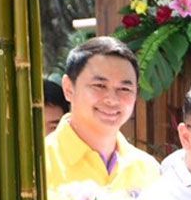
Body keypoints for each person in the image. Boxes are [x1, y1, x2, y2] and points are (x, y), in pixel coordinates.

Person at [45, 36, 159, 191]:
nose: (112, 100)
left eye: (124, 89)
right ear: (68, 88)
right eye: (99, 85)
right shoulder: (37, 164)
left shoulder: (147, 169)